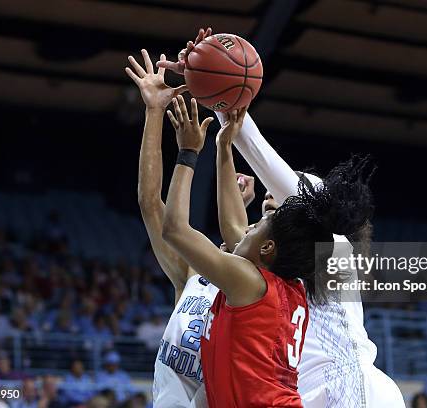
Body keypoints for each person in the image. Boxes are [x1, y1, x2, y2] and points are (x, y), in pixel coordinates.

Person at [159, 26, 406, 408]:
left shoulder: (334, 251)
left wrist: (228, 111)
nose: (270, 204)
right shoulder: (276, 275)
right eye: (268, 208)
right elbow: (237, 235)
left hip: (358, 393)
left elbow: (293, 196)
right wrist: (223, 133)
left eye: (282, 201)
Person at [126, 46, 217, 407]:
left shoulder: (251, 292)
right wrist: (154, 111)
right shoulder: (195, 276)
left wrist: (221, 149)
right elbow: (150, 204)